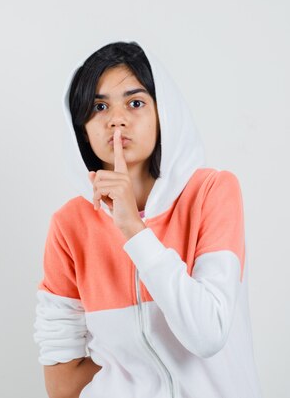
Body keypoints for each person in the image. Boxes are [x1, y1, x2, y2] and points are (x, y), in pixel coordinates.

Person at [33, 41, 263, 398]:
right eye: (99, 106)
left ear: (163, 112)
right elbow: (62, 383)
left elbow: (207, 333)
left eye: (135, 102)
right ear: (82, 125)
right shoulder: (70, 225)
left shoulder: (212, 192)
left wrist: (133, 229)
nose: (117, 119)